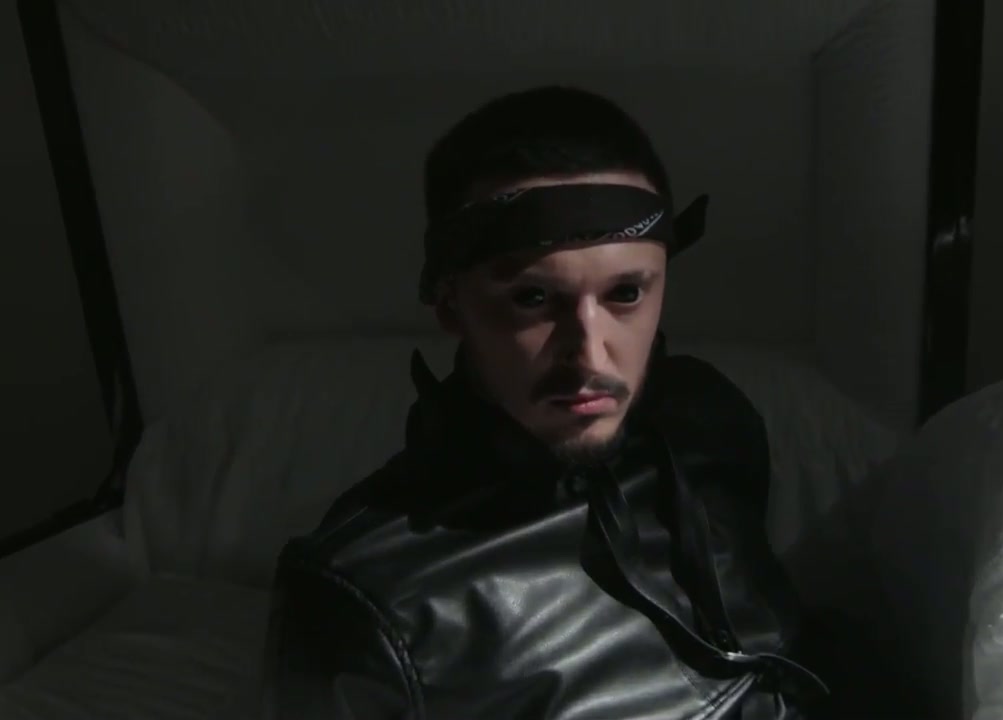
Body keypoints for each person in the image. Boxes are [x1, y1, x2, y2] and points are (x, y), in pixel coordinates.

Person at [260, 85, 865, 719]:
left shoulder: (706, 420)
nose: (590, 357)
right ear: (450, 304)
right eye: (533, 299)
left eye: (626, 293)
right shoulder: (362, 590)